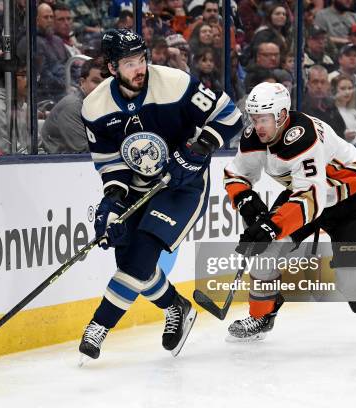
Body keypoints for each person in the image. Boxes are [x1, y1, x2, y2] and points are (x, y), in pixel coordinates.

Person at [79, 29, 243, 361]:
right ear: (112, 68)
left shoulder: (175, 83)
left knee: (141, 256)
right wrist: (112, 201)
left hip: (183, 186)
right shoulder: (95, 107)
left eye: (141, 59)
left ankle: (98, 327)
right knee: (130, 263)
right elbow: (112, 166)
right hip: (139, 187)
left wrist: (200, 148)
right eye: (129, 63)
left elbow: (229, 117)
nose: (140, 68)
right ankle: (176, 307)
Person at [223, 82, 356, 342]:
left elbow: (311, 200)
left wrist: (271, 226)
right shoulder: (254, 136)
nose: (258, 126)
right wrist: (244, 198)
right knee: (266, 251)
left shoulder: (303, 136)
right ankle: (262, 315)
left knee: (354, 291)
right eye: (254, 119)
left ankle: (353, 282)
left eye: (264, 119)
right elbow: (236, 172)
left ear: (282, 116)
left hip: (348, 201)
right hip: (305, 192)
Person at [41, 58, 104, 153]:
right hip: (57, 164)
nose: (101, 87)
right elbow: (88, 153)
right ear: (82, 82)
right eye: (96, 81)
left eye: (106, 83)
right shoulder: (72, 106)